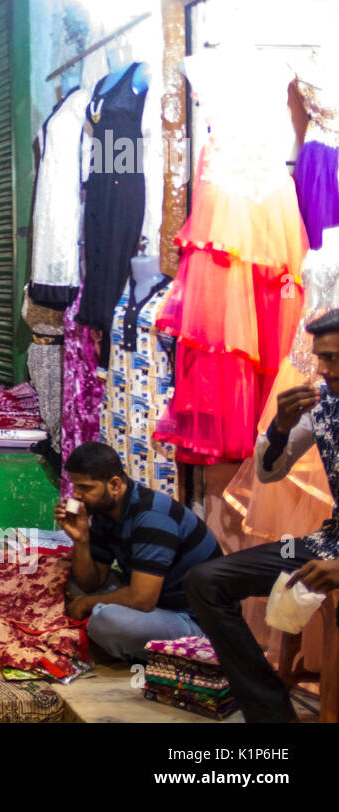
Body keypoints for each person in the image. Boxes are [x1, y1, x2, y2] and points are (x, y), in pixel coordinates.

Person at [185, 308, 339, 722]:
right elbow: (271, 473)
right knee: (206, 580)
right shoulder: (325, 407)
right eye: (321, 358)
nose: (323, 369)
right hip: (327, 541)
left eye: (334, 358)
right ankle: (271, 713)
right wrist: (282, 426)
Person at [56, 441, 221, 661]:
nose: (77, 495)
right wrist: (82, 539)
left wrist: (87, 603)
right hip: (156, 603)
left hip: (194, 621)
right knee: (67, 579)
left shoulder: (153, 517)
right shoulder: (106, 512)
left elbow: (142, 599)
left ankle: (108, 638)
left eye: (85, 488)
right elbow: (90, 583)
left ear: (114, 484)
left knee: (108, 621)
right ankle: (103, 634)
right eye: (75, 486)